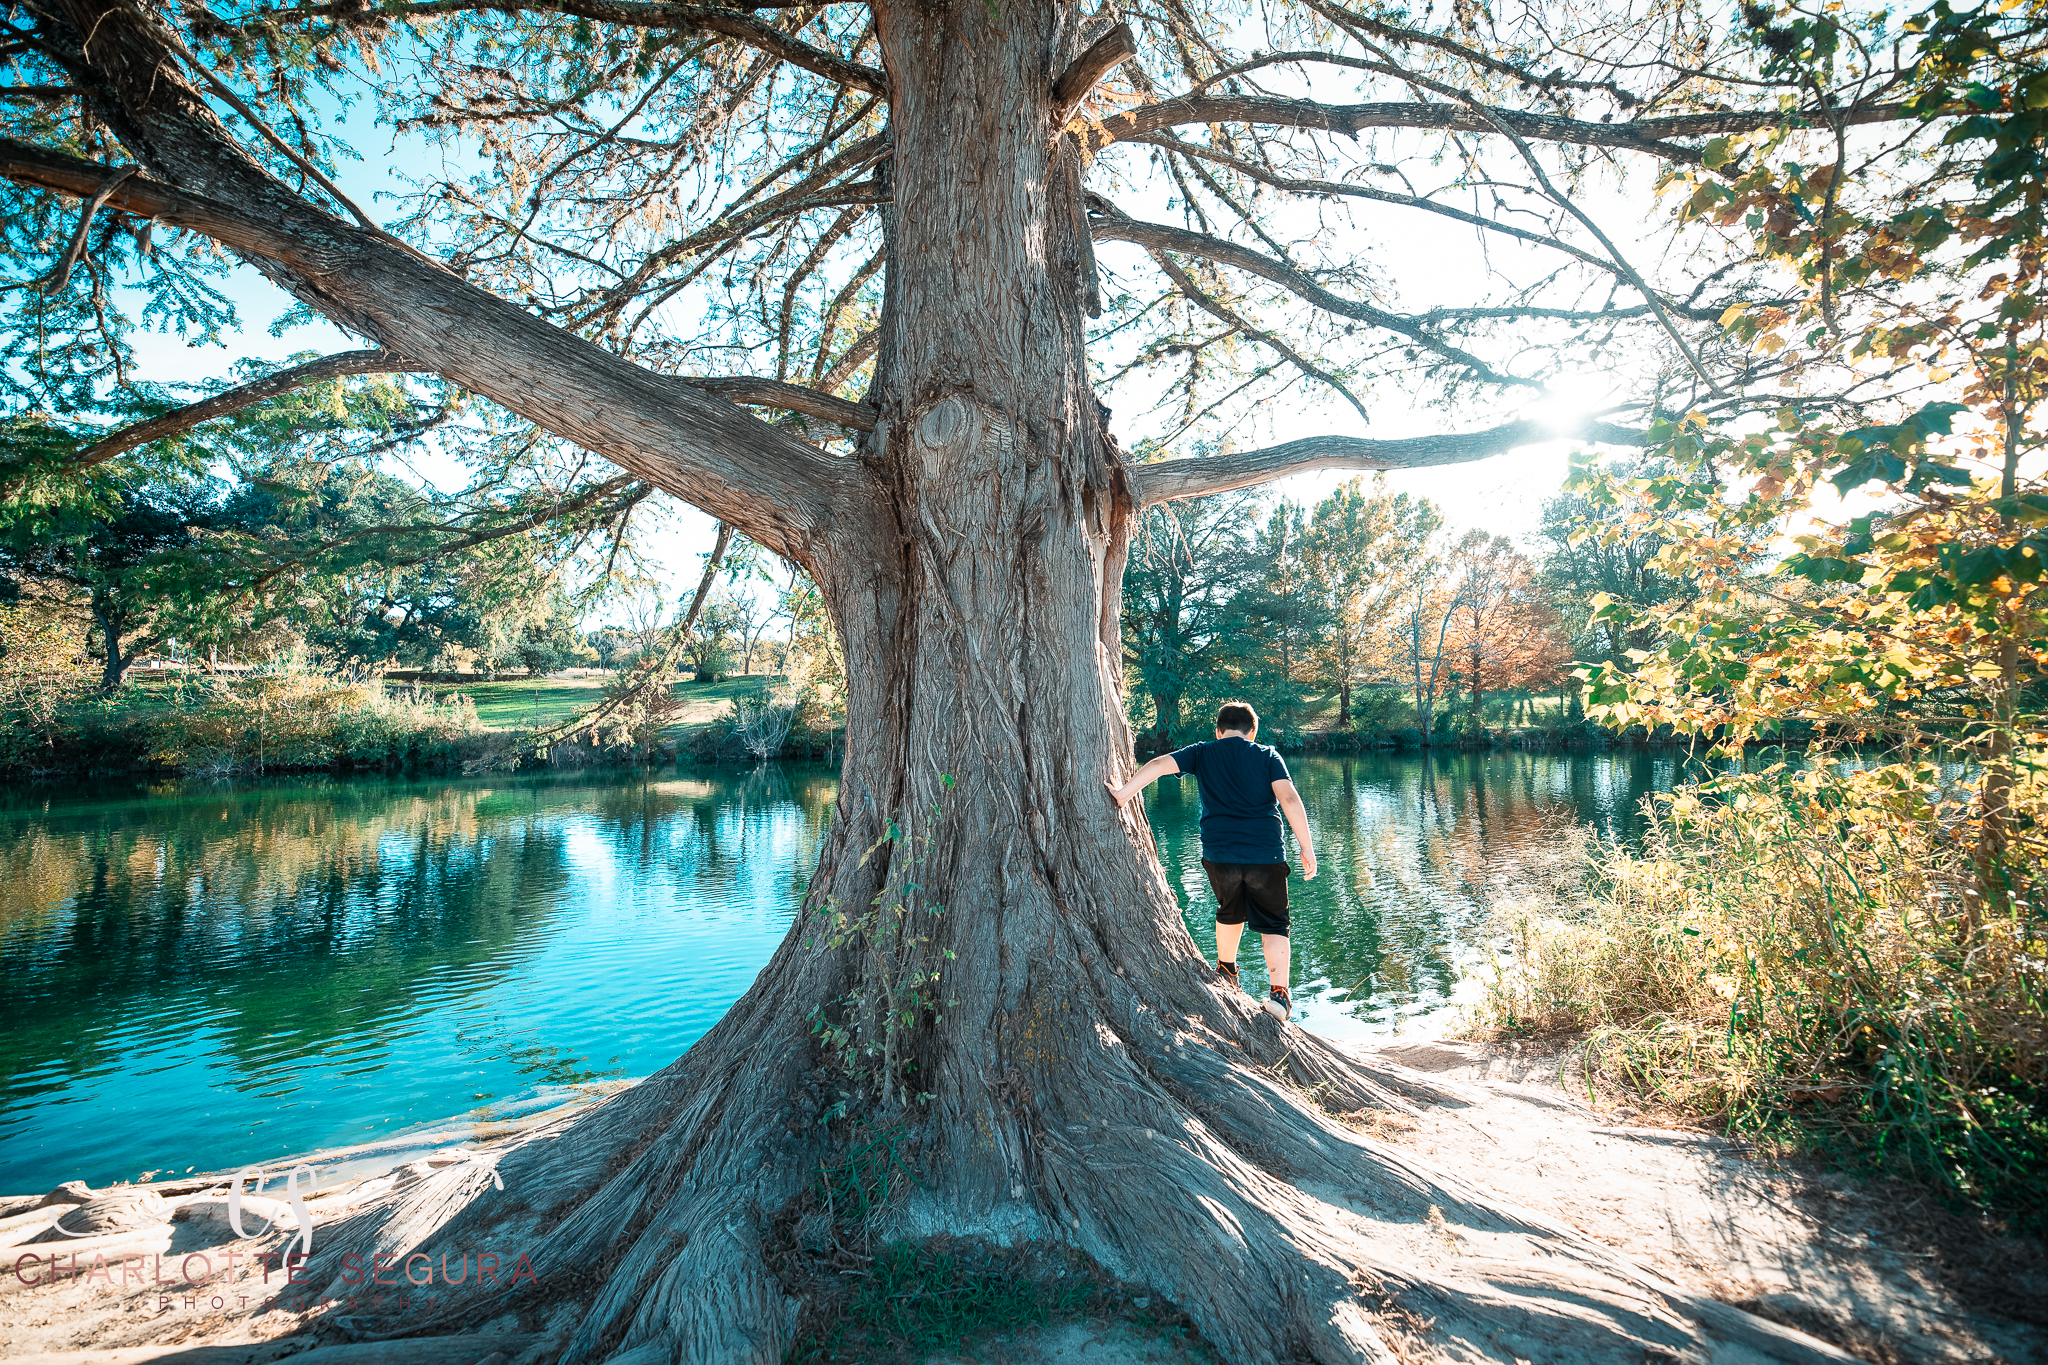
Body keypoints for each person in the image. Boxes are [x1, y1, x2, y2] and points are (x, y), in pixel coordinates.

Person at [1105, 701, 1317, 1019]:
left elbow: (1160, 764)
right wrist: (1306, 846)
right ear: (1252, 732)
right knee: (1274, 923)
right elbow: (1288, 797)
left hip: (1220, 856)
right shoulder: (1267, 755)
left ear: (1218, 731)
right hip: (1265, 854)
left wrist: (1123, 794)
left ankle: (1227, 972)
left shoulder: (1203, 752)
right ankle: (1279, 996)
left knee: (1229, 910)